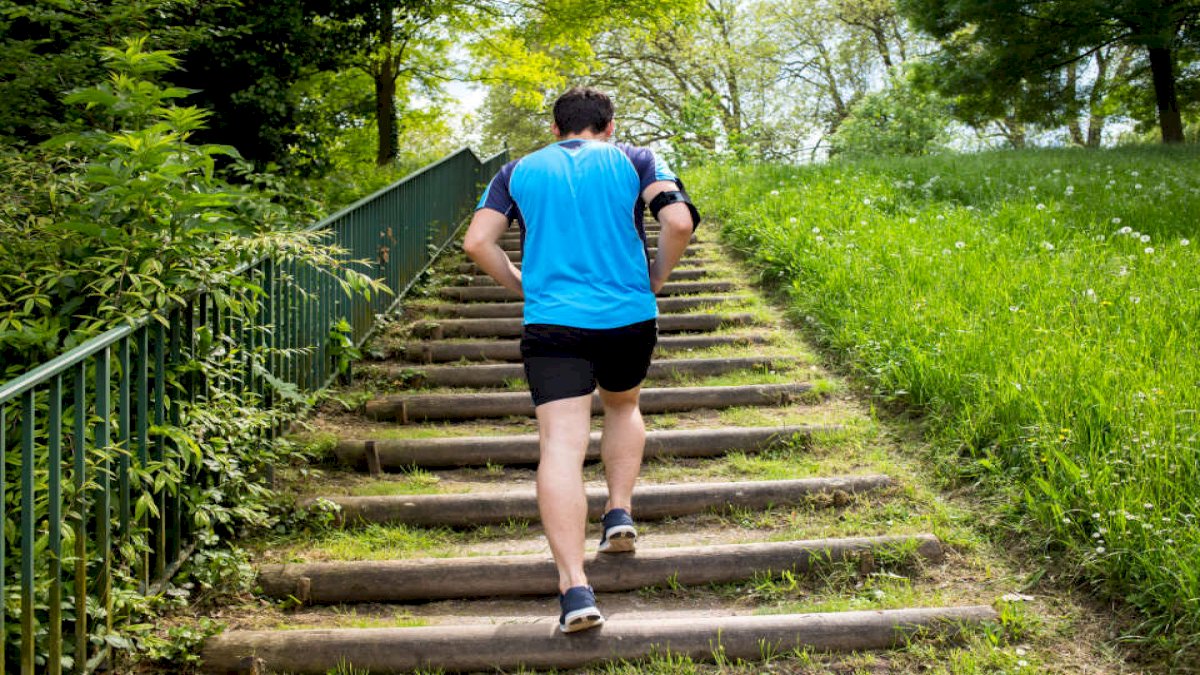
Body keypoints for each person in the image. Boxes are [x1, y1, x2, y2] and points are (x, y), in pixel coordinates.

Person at [463, 86, 699, 633]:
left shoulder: (516, 172)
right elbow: (679, 221)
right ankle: (619, 512)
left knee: (562, 447)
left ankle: (574, 589)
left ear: (555, 129)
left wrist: (522, 285)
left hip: (553, 324)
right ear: (609, 125)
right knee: (622, 406)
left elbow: (478, 242)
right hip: (627, 317)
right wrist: (655, 277)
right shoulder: (636, 159)